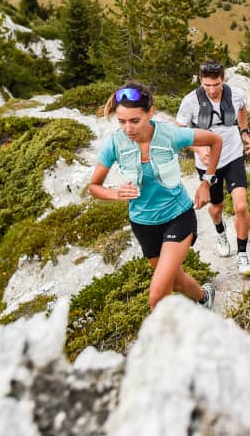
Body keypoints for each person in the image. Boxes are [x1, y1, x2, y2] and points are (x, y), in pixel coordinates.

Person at [88, 82, 223, 312]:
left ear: (150, 113)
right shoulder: (114, 144)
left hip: (178, 215)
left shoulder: (170, 134)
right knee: (176, 280)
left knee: (157, 296)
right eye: (121, 121)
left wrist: (206, 182)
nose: (128, 128)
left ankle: (171, 345)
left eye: (134, 120)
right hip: (143, 223)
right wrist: (115, 193)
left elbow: (215, 140)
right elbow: (93, 186)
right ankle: (204, 297)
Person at [176, 61, 250, 277]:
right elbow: (179, 132)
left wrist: (245, 132)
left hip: (233, 156)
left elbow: (242, 110)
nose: (212, 90)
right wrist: (198, 148)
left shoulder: (235, 94)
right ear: (201, 81)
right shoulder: (190, 101)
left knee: (240, 206)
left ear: (223, 79)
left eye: (216, 84)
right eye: (207, 85)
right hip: (208, 164)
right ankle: (220, 232)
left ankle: (242, 253)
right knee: (217, 207)